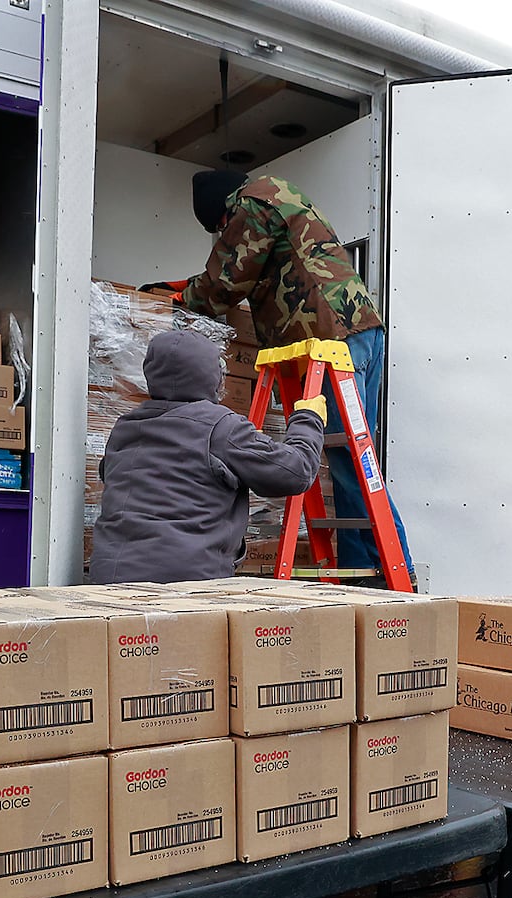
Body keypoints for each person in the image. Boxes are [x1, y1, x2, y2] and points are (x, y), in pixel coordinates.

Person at [144, 168, 414, 586]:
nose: (222, 233)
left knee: (351, 462)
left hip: (327, 340)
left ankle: (391, 572)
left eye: (218, 227)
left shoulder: (250, 204)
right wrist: (183, 284)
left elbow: (226, 283)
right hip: (358, 331)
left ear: (221, 210)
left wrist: (178, 300)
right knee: (355, 460)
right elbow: (237, 269)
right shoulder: (278, 196)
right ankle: (367, 570)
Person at [88, 329, 326, 582]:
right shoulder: (221, 427)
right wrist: (309, 419)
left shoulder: (125, 427)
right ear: (212, 375)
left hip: (109, 579)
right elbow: (295, 472)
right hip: (183, 585)